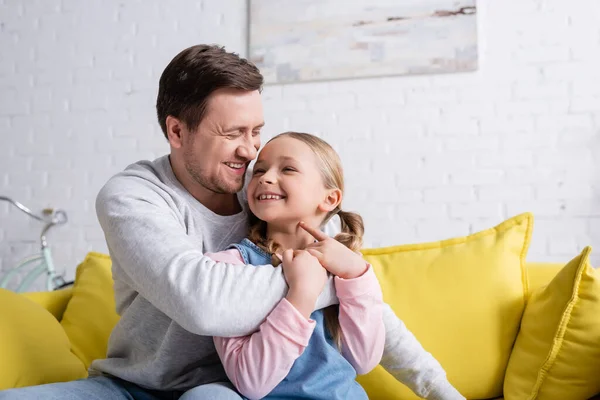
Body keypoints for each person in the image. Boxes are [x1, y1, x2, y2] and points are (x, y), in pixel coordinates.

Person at [0, 45, 463, 400]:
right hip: (140, 389)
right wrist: (325, 276)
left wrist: (438, 388)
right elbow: (204, 305)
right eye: (232, 134)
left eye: (256, 131)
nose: (251, 152)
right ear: (177, 131)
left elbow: (369, 314)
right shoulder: (133, 196)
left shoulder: (264, 196)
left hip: (234, 389)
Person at [206, 132, 386, 399]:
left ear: (329, 199)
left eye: (288, 169)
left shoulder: (342, 265)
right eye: (259, 170)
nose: (265, 177)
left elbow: (363, 360)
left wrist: (356, 275)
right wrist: (301, 294)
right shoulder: (228, 267)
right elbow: (251, 383)